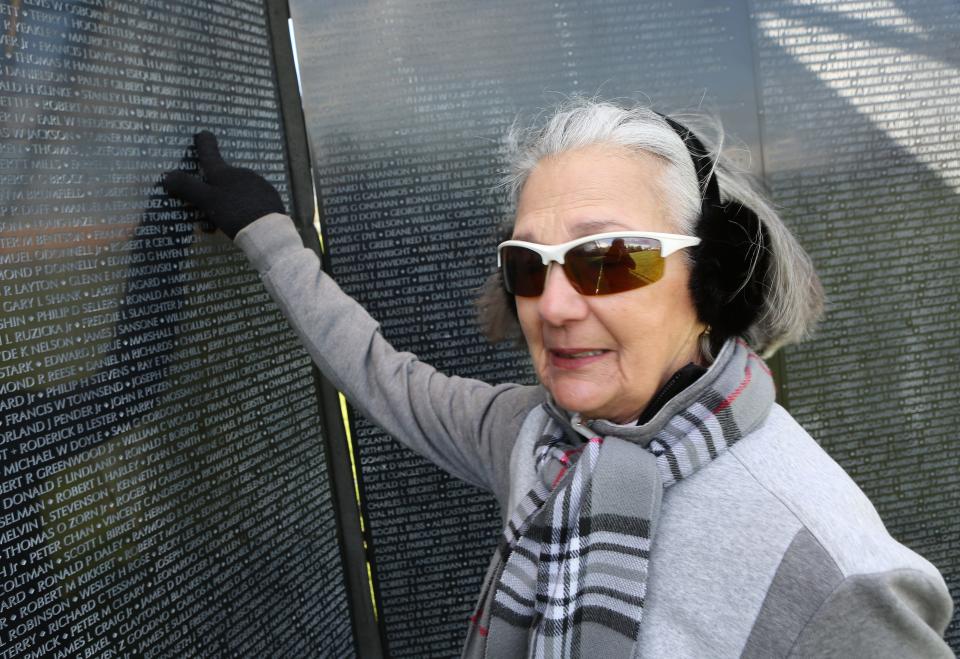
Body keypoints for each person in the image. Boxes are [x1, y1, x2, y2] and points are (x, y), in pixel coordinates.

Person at [163, 100, 954, 658]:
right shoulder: (537, 437)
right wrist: (268, 231)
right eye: (528, 266)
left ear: (712, 282)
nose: (557, 306)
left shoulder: (829, 569)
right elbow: (382, 376)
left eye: (609, 257)